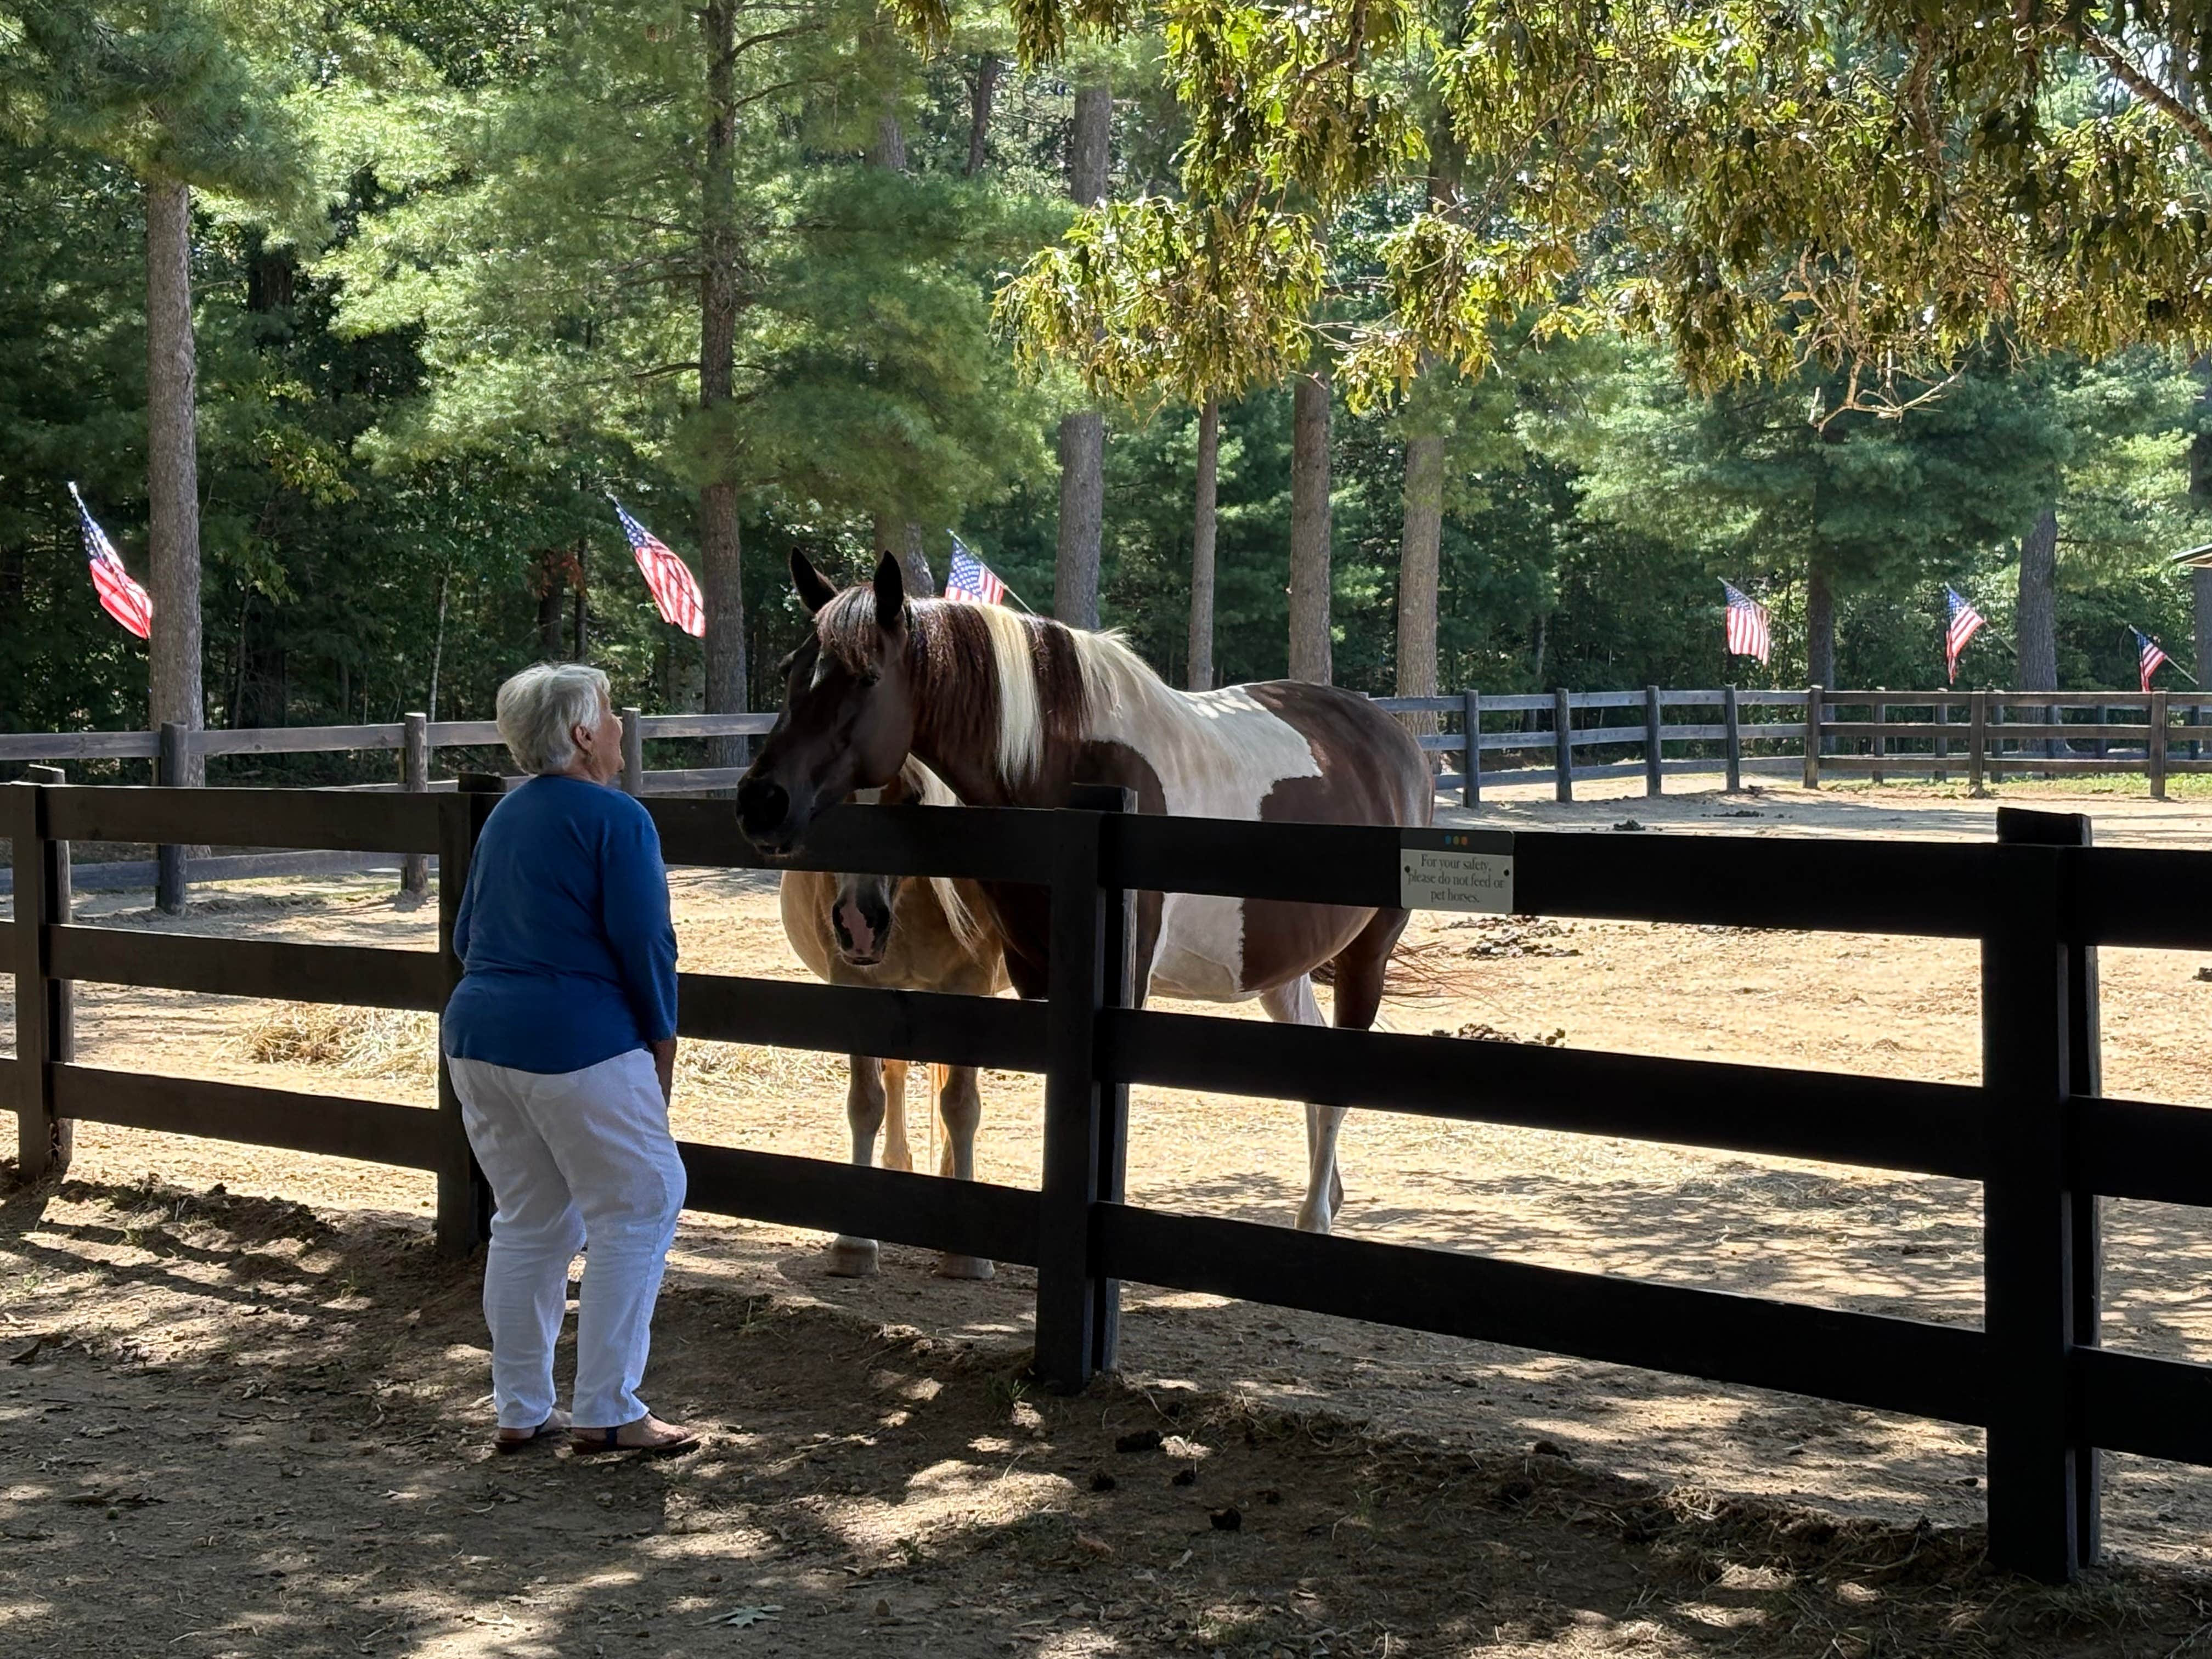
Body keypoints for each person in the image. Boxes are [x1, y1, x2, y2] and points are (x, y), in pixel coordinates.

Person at [443, 662, 696, 1457]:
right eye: (612, 714)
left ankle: (521, 1408)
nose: (621, 727)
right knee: (643, 1200)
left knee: (530, 1220)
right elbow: (646, 942)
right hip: (577, 1039)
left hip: (479, 1037)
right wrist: (662, 1039)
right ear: (584, 734)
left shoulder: (506, 818)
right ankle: (610, 1409)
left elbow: (463, 938)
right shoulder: (616, 819)